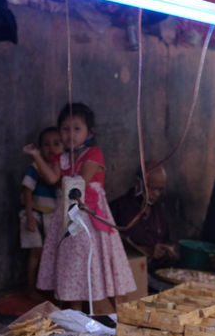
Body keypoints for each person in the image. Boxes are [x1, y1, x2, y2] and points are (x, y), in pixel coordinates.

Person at [35, 102, 136, 312]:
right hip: (68, 216)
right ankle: (76, 316)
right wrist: (37, 156)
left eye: (77, 129)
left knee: (95, 266)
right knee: (73, 266)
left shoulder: (94, 154)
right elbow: (53, 177)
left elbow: (80, 181)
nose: (70, 134)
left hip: (88, 217)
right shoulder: (62, 158)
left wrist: (66, 172)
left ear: (90, 132)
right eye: (65, 128)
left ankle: (114, 315)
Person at [20, 127, 62, 296]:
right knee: (36, 250)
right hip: (34, 213)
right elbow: (27, 192)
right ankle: (30, 288)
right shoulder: (35, 167)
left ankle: (48, 288)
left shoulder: (63, 167)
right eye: (45, 145)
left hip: (53, 216)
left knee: (52, 252)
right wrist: (29, 217)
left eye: (56, 144)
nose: (51, 148)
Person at [110, 164, 179, 264]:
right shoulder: (119, 208)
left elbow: (166, 240)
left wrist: (168, 249)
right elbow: (112, 247)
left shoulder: (158, 210)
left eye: (160, 190)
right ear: (139, 183)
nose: (156, 194)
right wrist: (146, 250)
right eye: (152, 188)